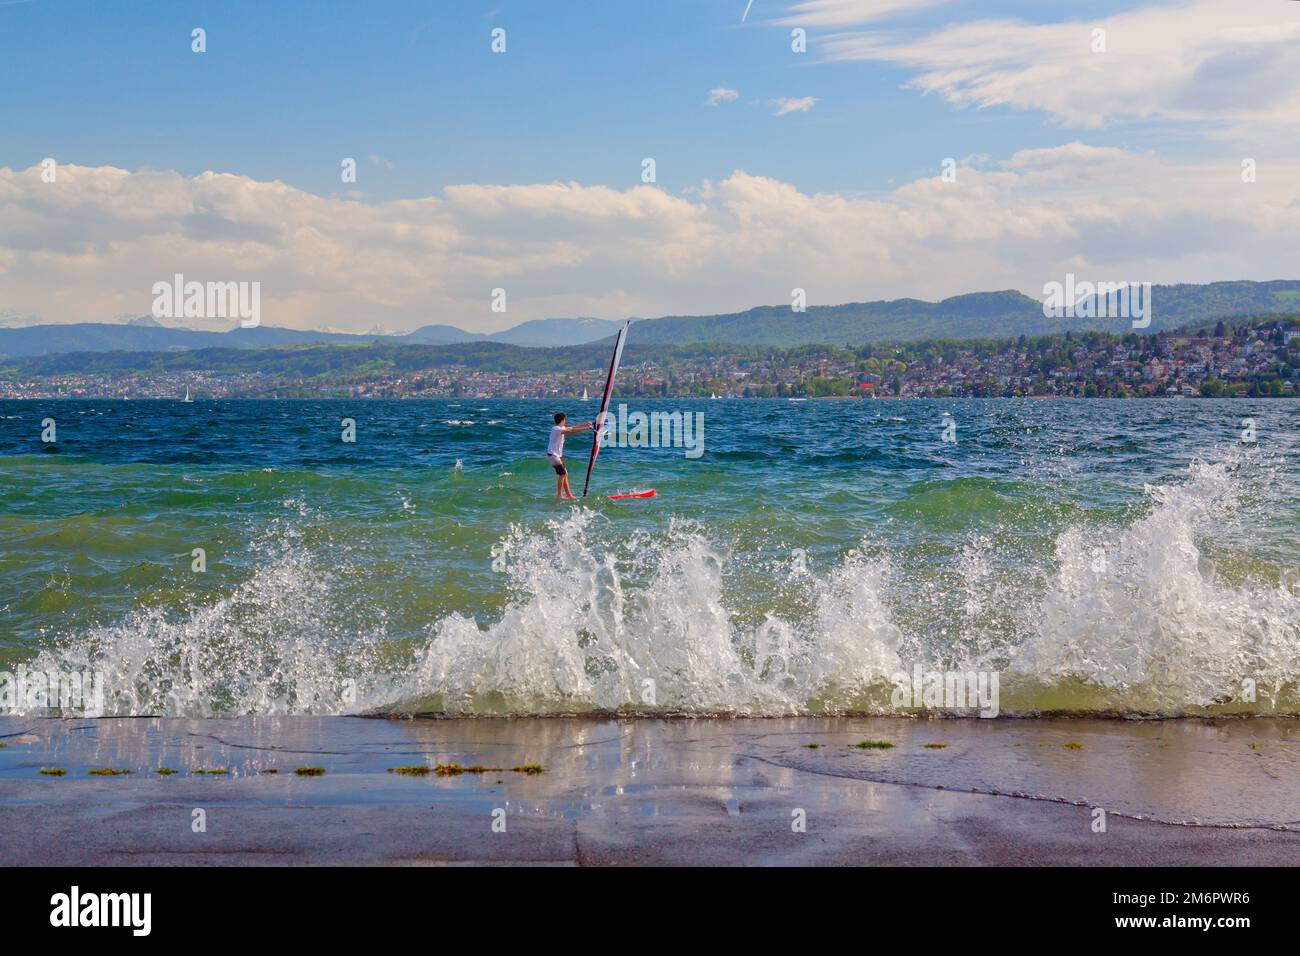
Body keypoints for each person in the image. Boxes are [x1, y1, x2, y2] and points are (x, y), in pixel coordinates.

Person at [546, 412, 595, 500]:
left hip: (557, 456)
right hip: (553, 455)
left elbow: (573, 427)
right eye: (565, 419)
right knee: (562, 474)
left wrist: (586, 424)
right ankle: (559, 495)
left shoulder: (560, 428)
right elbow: (572, 431)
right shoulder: (556, 429)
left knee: (565, 474)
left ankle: (569, 495)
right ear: (562, 420)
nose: (565, 421)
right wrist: (587, 428)